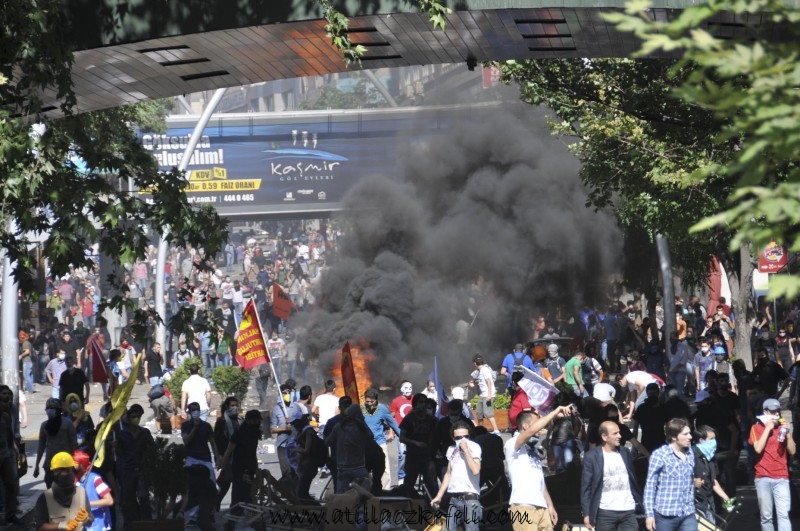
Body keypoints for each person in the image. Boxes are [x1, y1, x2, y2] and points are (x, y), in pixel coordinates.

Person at [581, 420, 643, 531]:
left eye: (619, 432)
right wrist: (586, 513)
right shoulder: (592, 457)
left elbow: (632, 480)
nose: (619, 436)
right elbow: (586, 487)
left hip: (628, 511)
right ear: (604, 437)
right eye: (615, 433)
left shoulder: (625, 453)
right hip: (605, 512)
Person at [749, 397, 795, 531]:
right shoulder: (756, 428)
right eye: (773, 412)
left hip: (781, 476)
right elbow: (757, 448)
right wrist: (767, 429)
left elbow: (792, 451)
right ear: (765, 412)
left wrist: (789, 435)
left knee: (783, 515)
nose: (776, 415)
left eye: (778, 411)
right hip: (763, 476)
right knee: (766, 516)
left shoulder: (783, 427)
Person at [643, 418, 696, 531]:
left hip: (687, 512)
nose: (690, 437)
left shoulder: (689, 452)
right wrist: (649, 515)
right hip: (665, 515)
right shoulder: (660, 455)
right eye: (685, 434)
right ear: (673, 436)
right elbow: (650, 486)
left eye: (689, 433)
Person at [430, 421, 482, 531]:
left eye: (466, 436)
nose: (463, 440)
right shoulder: (451, 450)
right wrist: (439, 496)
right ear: (453, 438)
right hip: (454, 498)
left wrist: (466, 451)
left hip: (470, 499)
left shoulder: (474, 447)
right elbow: (448, 474)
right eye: (458, 438)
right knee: (448, 528)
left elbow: (476, 470)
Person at [220, 410, 263, 531]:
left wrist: (256, 469)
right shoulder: (240, 434)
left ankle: (234, 524)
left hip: (249, 470)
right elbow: (229, 451)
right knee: (242, 497)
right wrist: (223, 467)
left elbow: (252, 453)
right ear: (249, 420)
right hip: (240, 470)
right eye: (255, 420)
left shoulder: (254, 432)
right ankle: (253, 523)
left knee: (244, 497)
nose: (258, 422)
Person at [112, 404, 154, 524]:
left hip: (141, 469)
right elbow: (119, 453)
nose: (136, 418)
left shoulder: (145, 433)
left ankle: (146, 523)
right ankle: (130, 524)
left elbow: (152, 449)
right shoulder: (122, 434)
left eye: (138, 416)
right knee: (128, 499)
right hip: (127, 470)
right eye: (133, 416)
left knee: (144, 498)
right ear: (129, 418)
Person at [32, 452, 94, 531]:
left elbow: (90, 520)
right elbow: (40, 527)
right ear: (56, 474)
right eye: (65, 471)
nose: (69, 474)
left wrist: (87, 519)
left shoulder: (81, 492)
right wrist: (61, 525)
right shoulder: (45, 498)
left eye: (70, 470)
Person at [34, 398, 79, 488]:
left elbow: (74, 444)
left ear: (59, 410)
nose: (49, 411)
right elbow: (41, 447)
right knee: (50, 488)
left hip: (66, 463)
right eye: (48, 408)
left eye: (52, 408)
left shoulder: (67, 424)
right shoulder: (44, 426)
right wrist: (37, 465)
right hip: (50, 464)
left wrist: (77, 462)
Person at [692, 426, 732, 525]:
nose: (714, 442)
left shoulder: (710, 456)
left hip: (708, 502)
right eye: (711, 439)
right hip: (695, 502)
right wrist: (692, 482)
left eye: (715, 439)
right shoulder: (690, 455)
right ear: (701, 440)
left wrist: (725, 497)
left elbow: (713, 480)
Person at [362, 388, 401, 489]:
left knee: (385, 470)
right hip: (365, 446)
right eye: (367, 402)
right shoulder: (361, 409)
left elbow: (392, 423)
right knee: (364, 470)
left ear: (376, 400)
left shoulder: (382, 409)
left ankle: (384, 492)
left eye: (372, 401)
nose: (369, 404)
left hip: (380, 444)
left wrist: (403, 437)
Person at [72, 450, 113, 531]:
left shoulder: (95, 479)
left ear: (81, 464)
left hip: (98, 524)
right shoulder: (76, 481)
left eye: (74, 462)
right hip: (82, 524)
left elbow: (109, 501)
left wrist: (89, 504)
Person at [214, 396, 242, 509]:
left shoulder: (240, 420)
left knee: (236, 481)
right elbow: (216, 440)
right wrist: (219, 456)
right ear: (227, 406)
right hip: (227, 455)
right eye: (232, 405)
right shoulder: (221, 422)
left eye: (236, 405)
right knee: (228, 480)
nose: (234, 408)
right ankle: (217, 501)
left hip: (239, 455)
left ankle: (234, 504)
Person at [390, 381, 414, 485]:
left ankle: (411, 475)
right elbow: (392, 417)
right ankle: (401, 476)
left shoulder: (415, 399)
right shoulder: (396, 401)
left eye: (410, 387)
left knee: (413, 454)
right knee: (403, 455)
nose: (408, 390)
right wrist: (392, 432)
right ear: (401, 389)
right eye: (406, 387)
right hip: (401, 431)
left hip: (413, 431)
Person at [270, 384, 294, 479]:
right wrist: (285, 428)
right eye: (284, 393)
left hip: (294, 444)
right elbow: (272, 429)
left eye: (289, 392)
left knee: (295, 471)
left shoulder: (295, 407)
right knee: (285, 471)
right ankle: (285, 492)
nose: (287, 394)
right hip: (282, 445)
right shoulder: (276, 409)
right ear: (280, 394)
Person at [471, 354, 500, 434]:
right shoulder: (480, 371)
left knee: (488, 413)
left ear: (474, 363)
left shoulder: (485, 370)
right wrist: (475, 384)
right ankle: (480, 430)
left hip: (487, 395)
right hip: (483, 395)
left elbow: (489, 382)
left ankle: (496, 430)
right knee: (479, 412)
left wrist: (489, 395)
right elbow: (482, 382)